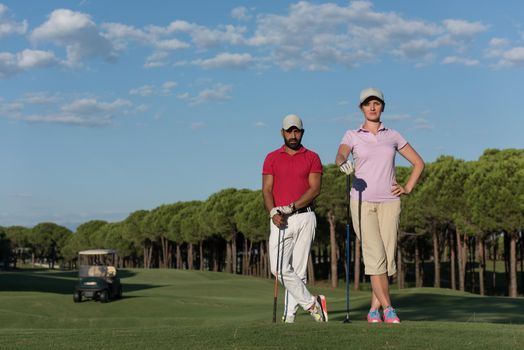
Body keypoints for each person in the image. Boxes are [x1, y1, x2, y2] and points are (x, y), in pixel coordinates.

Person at [335, 88, 425, 324]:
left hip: (390, 203)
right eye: (368, 104)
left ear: (382, 106)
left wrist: (407, 187)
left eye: (376, 103)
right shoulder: (352, 135)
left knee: (386, 258)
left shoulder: (393, 135)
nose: (372, 107)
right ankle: (388, 308)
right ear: (361, 108)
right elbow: (341, 155)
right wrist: (342, 163)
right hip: (362, 203)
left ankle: (373, 310)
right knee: (375, 256)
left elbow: (418, 163)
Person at [262, 114, 328, 323]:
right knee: (278, 268)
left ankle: (289, 317)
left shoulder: (312, 157)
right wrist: (273, 212)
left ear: (302, 132)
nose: (293, 134)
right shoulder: (271, 157)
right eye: (289, 131)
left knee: (299, 270)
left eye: (296, 131)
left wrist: (291, 207)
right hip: (279, 218)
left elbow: (315, 189)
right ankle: (312, 304)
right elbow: (267, 190)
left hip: (304, 216)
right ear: (282, 132)